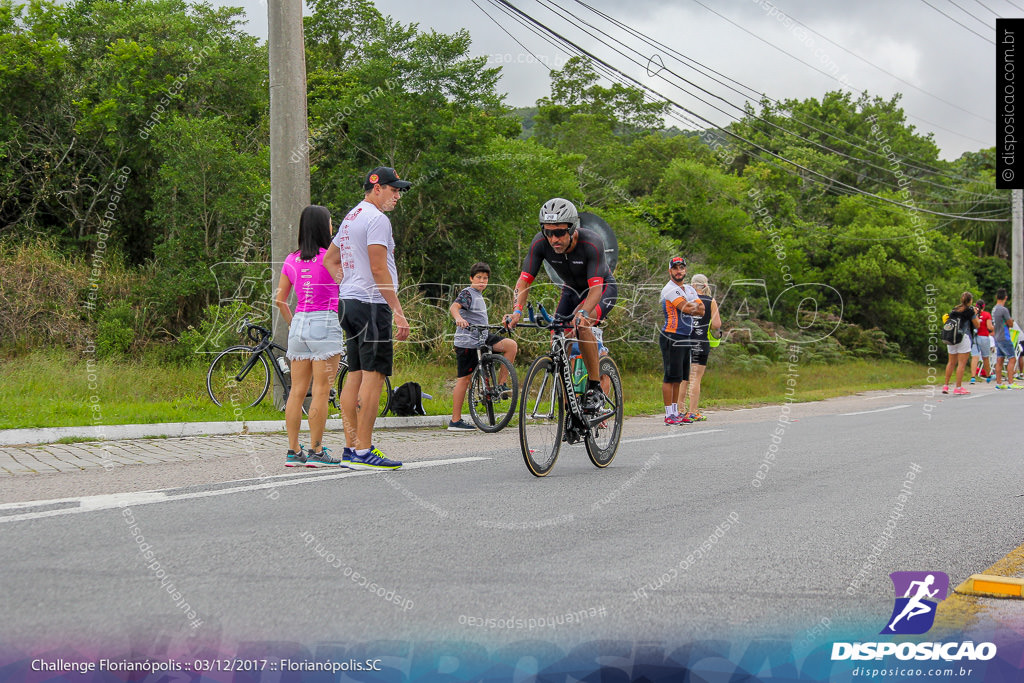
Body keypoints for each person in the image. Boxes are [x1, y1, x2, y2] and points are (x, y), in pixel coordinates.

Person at [323, 166, 410, 469]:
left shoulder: (351, 217)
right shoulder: (377, 219)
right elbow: (378, 267)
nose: (397, 195)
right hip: (371, 305)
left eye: (400, 190)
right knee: (375, 376)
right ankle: (363, 450)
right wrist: (397, 310)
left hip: (349, 303)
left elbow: (329, 260)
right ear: (377, 188)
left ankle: (350, 448)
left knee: (356, 375)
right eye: (393, 189)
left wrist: (347, 283)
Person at [504, 198, 617, 414]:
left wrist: (583, 313)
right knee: (557, 335)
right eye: (548, 232)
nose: (553, 239)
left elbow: (595, 290)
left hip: (601, 289)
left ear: (572, 228)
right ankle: (569, 405)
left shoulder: (591, 242)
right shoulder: (541, 243)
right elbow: (524, 281)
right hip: (571, 290)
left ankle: (595, 388)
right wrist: (517, 311)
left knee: (581, 325)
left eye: (559, 233)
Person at [274, 205, 345, 467]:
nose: (332, 226)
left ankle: (293, 451)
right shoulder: (331, 259)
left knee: (295, 392)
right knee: (321, 390)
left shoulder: (291, 260)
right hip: (324, 322)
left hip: (300, 325)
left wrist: (293, 324)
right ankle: (316, 451)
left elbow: (280, 300)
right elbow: (347, 286)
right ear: (321, 226)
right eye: (330, 222)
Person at [448, 262, 518, 431]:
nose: (482, 281)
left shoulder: (479, 295)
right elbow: (454, 307)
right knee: (464, 380)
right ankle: (455, 421)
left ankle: (500, 385)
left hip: (483, 337)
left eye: (485, 278)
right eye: (478, 277)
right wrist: (458, 318)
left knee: (511, 345)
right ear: (471, 278)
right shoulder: (468, 293)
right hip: (468, 341)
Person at [659, 257, 704, 425]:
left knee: (680, 377)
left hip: (686, 336)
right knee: (670, 377)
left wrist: (692, 307)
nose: (679, 271)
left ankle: (676, 411)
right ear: (670, 271)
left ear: (685, 270)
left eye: (682, 268)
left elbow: (702, 310)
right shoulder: (669, 289)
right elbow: (685, 308)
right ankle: (668, 413)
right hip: (672, 335)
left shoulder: (689, 289)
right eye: (675, 268)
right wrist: (691, 306)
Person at [679, 273, 721, 422]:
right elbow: (717, 325)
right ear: (705, 285)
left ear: (692, 284)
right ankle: (693, 411)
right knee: (695, 378)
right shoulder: (710, 301)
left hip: (684, 340)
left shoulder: (685, 299)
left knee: (683, 377)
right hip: (700, 342)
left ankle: (680, 411)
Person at [942, 291, 979, 395]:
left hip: (951, 337)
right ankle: (958, 387)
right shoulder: (970, 311)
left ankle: (946, 385)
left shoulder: (954, 309)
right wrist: (975, 314)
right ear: (970, 300)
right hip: (963, 337)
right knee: (961, 364)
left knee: (951, 362)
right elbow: (977, 325)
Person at [991, 288, 1017, 390]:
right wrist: (1009, 321)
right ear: (1005, 297)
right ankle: (1010, 382)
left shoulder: (994, 309)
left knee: (1000, 359)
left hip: (997, 336)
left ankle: (999, 383)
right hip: (1004, 336)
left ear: (996, 297)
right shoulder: (1004, 309)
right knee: (1012, 358)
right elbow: (1010, 323)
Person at [969, 299, 993, 384]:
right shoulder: (987, 314)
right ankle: (988, 376)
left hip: (974, 337)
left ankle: (973, 377)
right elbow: (989, 327)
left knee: (975, 357)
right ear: (984, 306)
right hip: (984, 337)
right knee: (985, 357)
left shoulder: (973, 314)